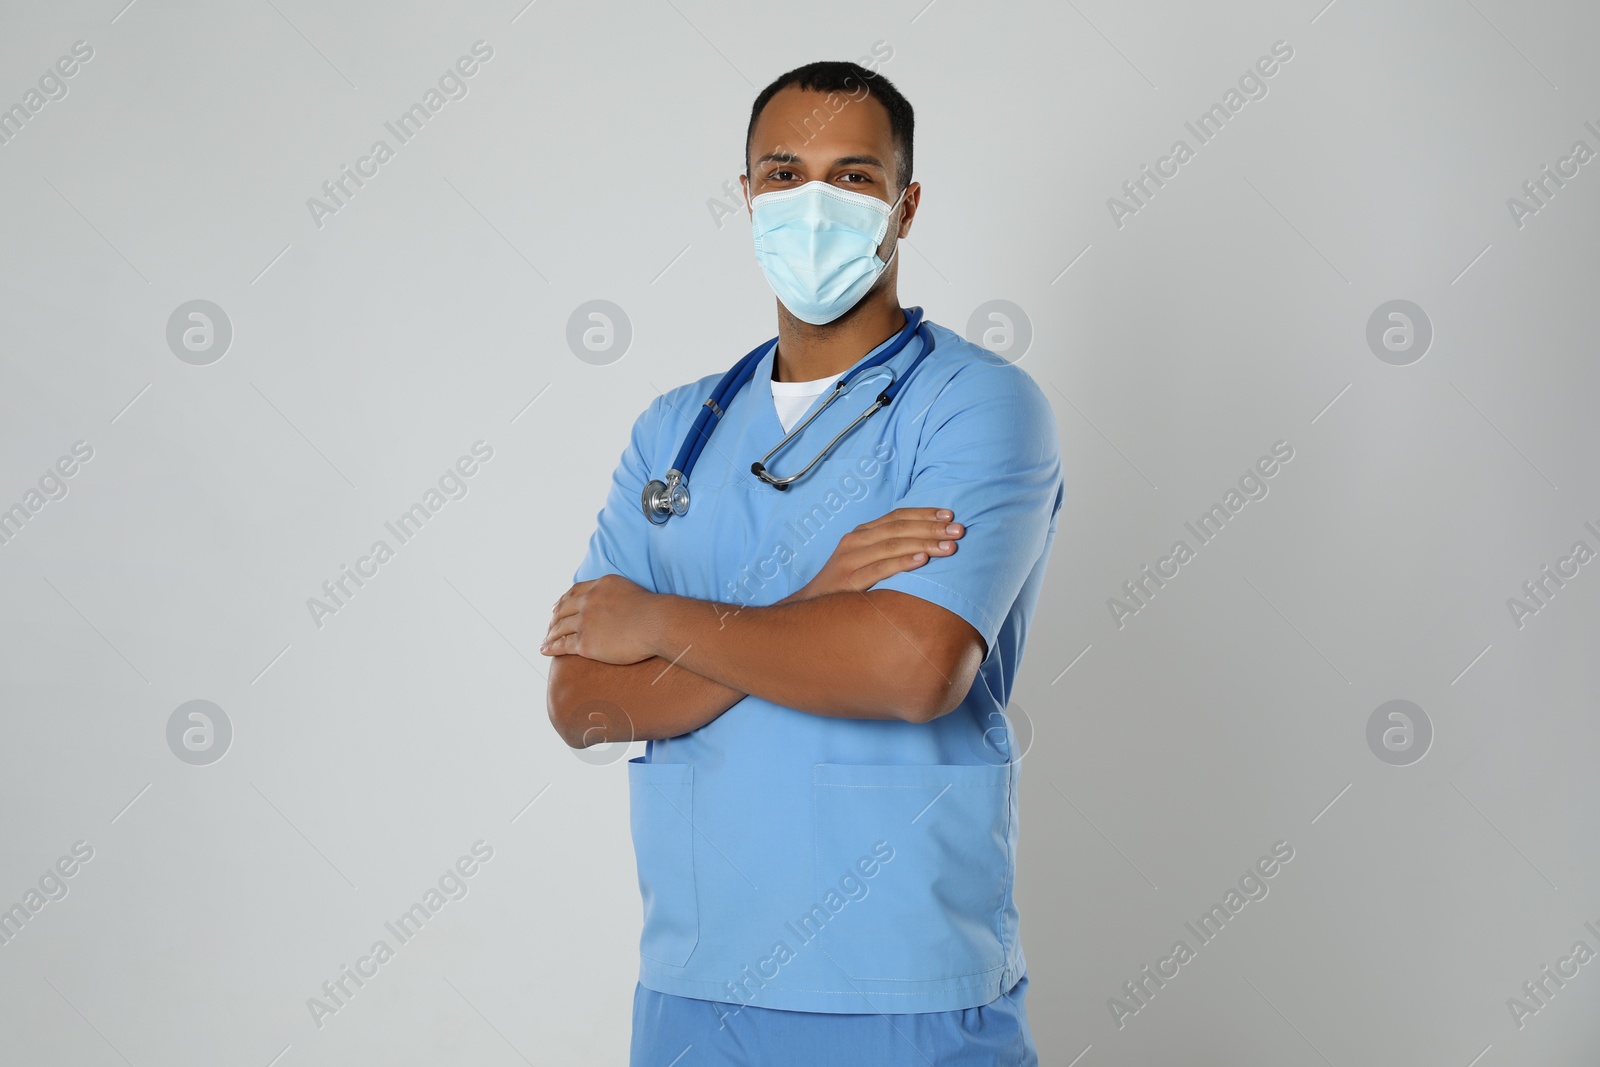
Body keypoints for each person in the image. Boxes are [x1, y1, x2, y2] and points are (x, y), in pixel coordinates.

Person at [543, 59, 1063, 1066]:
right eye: (783, 173)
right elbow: (584, 705)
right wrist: (818, 600)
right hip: (696, 984)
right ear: (745, 195)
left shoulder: (977, 405)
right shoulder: (674, 434)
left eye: (853, 177)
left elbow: (913, 670)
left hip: (901, 981)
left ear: (904, 207)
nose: (812, 203)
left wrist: (657, 621)